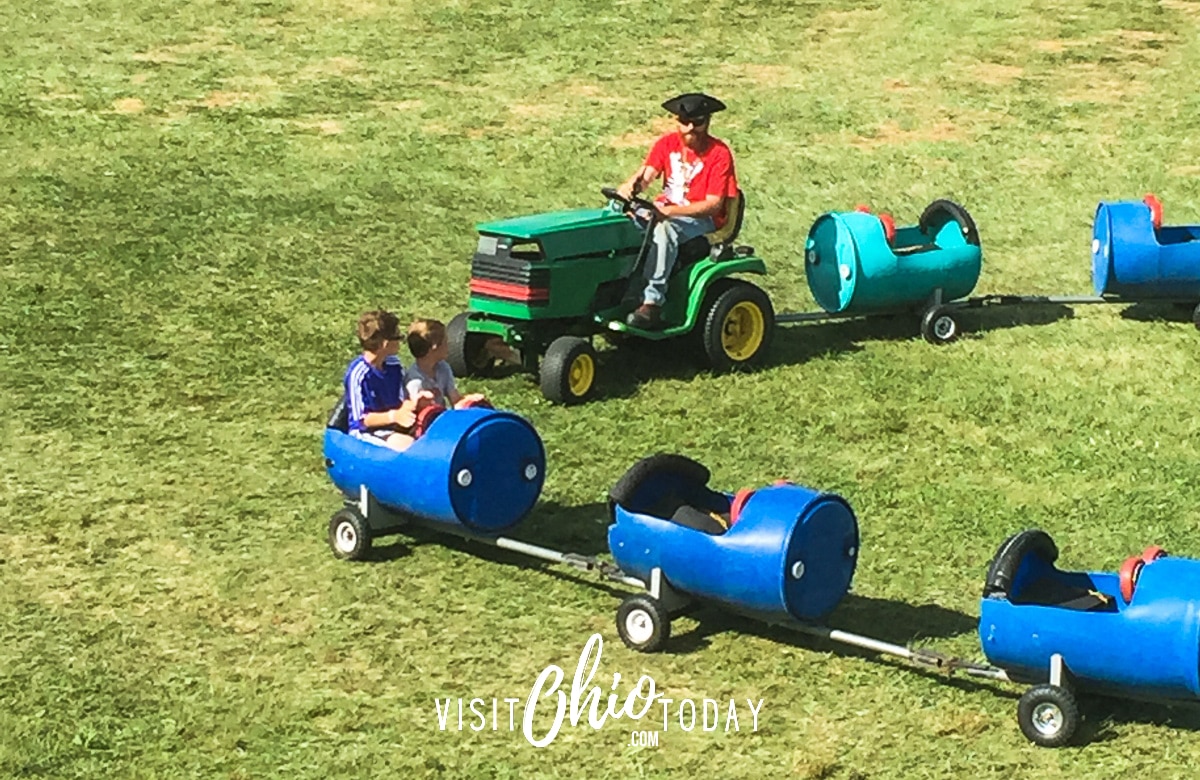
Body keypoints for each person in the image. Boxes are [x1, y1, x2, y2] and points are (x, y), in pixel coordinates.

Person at [617, 92, 739, 329]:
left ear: (708, 122)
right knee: (621, 220)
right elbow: (646, 176)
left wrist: (669, 212)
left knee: (665, 230)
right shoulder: (666, 144)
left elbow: (713, 205)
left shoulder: (719, 154)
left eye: (698, 122)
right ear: (676, 121)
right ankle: (622, 288)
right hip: (665, 209)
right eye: (685, 122)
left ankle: (652, 301)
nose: (690, 129)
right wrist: (629, 188)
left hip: (702, 219)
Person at [343, 309, 432, 451]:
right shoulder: (359, 374)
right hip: (366, 432)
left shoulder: (393, 364)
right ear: (385, 343)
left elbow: (402, 398)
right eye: (397, 336)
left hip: (394, 426)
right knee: (410, 446)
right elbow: (361, 420)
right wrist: (394, 416)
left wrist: (415, 401)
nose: (400, 341)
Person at [405, 318, 487, 409]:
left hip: (441, 416)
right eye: (445, 343)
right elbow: (416, 411)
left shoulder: (443, 367)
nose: (448, 346)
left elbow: (455, 400)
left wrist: (470, 400)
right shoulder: (414, 380)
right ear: (434, 347)